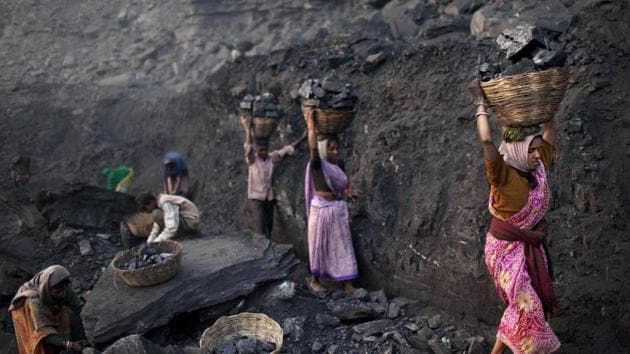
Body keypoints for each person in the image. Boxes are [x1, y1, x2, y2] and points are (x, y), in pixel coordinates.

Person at [469, 80, 561, 354]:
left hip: (530, 246)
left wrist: (546, 100)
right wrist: (480, 102)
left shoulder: (537, 169)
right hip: (505, 249)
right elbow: (486, 139)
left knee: (522, 304)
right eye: (531, 150)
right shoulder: (502, 174)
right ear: (518, 150)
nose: (536, 155)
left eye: (537, 149)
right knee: (527, 305)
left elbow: (550, 127)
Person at [303, 106, 360, 294]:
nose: (335, 152)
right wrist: (311, 126)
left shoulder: (338, 165)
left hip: (336, 209)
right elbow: (312, 148)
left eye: (337, 148)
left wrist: (348, 191)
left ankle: (347, 283)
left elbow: (342, 181)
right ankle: (315, 280)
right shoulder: (318, 164)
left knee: (342, 245)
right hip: (320, 210)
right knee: (318, 245)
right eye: (331, 148)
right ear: (323, 149)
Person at [241, 116, 305, 238]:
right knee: (261, 227)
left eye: (265, 150)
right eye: (261, 150)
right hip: (256, 198)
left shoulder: (272, 157)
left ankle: (268, 250)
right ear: (257, 150)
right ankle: (263, 252)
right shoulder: (253, 160)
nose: (263, 153)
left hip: (269, 198)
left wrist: (303, 138)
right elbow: (248, 146)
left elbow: (287, 150)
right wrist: (248, 128)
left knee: (269, 226)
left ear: (268, 149)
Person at [10, 265, 89, 354]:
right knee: (41, 344)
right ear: (47, 290)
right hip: (25, 312)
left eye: (63, 290)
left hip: (48, 307)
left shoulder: (63, 286)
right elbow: (44, 332)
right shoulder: (34, 302)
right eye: (57, 292)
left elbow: (77, 307)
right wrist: (69, 345)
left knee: (68, 314)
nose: (62, 294)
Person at [135, 192, 200, 243]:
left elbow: (172, 227)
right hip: (185, 219)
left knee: (157, 214)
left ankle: (183, 234)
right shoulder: (160, 203)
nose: (146, 212)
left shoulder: (165, 202)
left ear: (151, 203)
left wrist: (157, 241)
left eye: (145, 209)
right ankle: (179, 234)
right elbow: (156, 226)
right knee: (157, 215)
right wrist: (149, 242)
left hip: (190, 221)